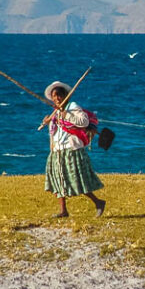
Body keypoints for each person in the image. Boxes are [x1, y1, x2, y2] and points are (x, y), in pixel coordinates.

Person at [43, 81, 106, 218]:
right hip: (57, 150)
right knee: (58, 181)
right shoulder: (55, 112)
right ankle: (63, 211)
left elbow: (83, 122)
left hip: (71, 150)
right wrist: (48, 122)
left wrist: (66, 115)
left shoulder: (72, 107)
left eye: (59, 95)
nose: (57, 98)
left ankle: (98, 202)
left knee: (76, 180)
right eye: (54, 96)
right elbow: (55, 133)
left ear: (65, 95)